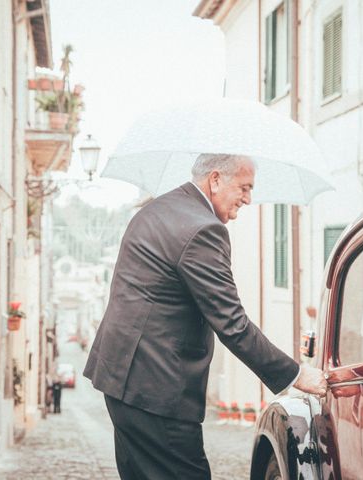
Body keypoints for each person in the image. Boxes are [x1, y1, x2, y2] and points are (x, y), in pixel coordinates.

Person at [84, 153, 328, 479]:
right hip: (157, 390)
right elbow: (232, 324)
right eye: (244, 187)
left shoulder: (156, 210)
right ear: (215, 179)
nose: (249, 198)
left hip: (121, 380)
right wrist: (296, 374)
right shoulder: (203, 229)